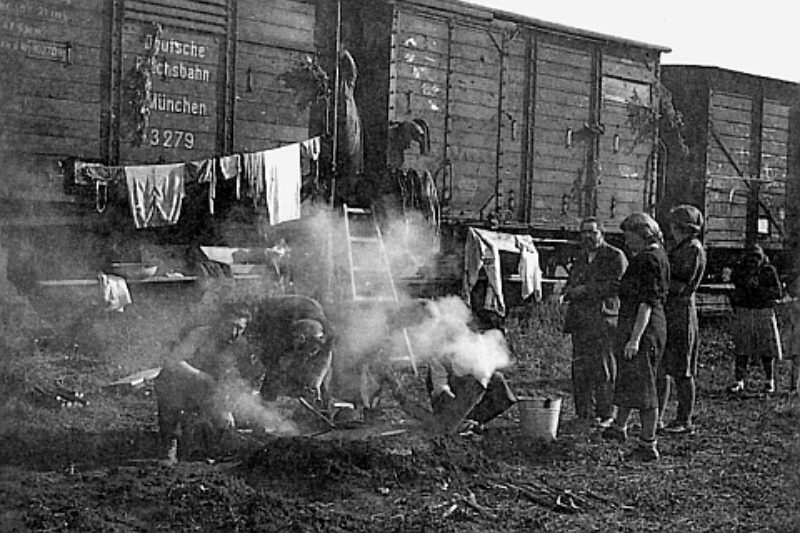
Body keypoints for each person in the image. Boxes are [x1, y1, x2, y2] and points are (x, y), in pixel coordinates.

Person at [601, 213, 670, 461]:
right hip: (642, 326)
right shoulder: (653, 255)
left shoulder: (649, 259)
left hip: (645, 329)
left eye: (629, 237)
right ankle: (619, 428)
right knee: (632, 379)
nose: (627, 242)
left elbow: (646, 303)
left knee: (645, 387)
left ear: (643, 234)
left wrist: (635, 339)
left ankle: (648, 444)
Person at [562, 217, 628, 427]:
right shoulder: (581, 257)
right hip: (580, 321)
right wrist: (568, 290)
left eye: (592, 232)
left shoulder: (615, 256)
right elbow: (573, 280)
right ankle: (584, 413)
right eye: (584, 232)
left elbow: (617, 286)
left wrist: (585, 290)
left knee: (604, 368)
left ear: (602, 234)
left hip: (603, 319)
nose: (588, 237)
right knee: (580, 368)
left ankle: (606, 414)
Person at [656, 205, 707, 434]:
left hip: (681, 312)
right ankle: (658, 416)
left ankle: (684, 420)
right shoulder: (681, 247)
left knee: (683, 370)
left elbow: (679, 284)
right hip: (670, 311)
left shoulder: (692, 249)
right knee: (664, 367)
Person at [728, 244, 783, 394]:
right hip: (745, 310)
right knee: (742, 348)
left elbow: (777, 292)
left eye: (757, 258)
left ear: (762, 258)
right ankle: (739, 380)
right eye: (750, 258)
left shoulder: (768, 271)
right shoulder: (741, 271)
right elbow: (733, 286)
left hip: (763, 311)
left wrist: (759, 288)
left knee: (767, 350)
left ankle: (769, 381)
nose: (753, 262)